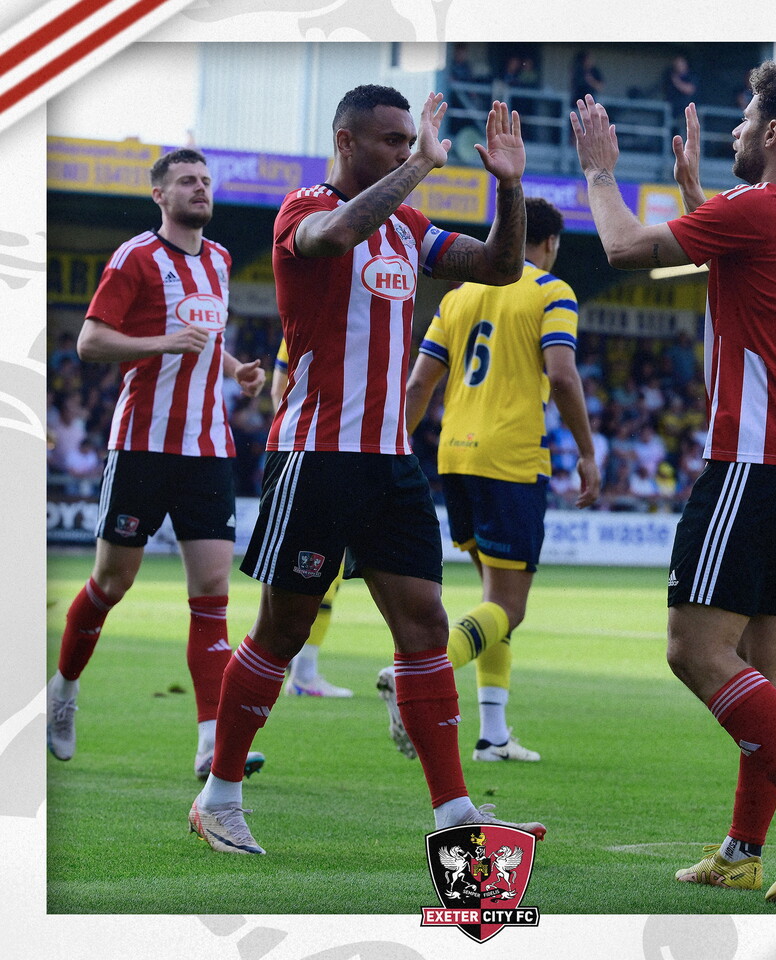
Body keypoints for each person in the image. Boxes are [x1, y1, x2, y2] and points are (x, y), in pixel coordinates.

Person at [188, 85, 545, 855]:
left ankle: (455, 817)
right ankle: (218, 798)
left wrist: (509, 188)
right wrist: (420, 164)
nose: (402, 150)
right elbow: (336, 233)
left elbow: (501, 265)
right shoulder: (300, 210)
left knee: (423, 628)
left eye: (404, 141)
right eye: (388, 141)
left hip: (390, 463)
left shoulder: (409, 230)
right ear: (347, 142)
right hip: (315, 457)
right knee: (280, 631)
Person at [570, 60, 776, 903]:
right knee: (773, 673)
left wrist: (600, 170)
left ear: (774, 133)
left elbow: (627, 248)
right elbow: (758, 263)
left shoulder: (755, 209)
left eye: (745, 118)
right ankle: (743, 848)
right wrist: (700, 191)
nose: (736, 129)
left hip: (751, 463)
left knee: (694, 651)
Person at [46, 148, 268, 781]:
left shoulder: (221, 260)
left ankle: (208, 741)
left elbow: (211, 337)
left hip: (208, 451)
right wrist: (161, 342)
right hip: (142, 445)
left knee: (212, 595)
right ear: (159, 196)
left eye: (205, 181)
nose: (200, 190)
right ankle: (63, 690)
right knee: (112, 583)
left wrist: (235, 371)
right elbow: (91, 341)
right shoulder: (135, 259)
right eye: (187, 182)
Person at [383, 197, 600, 764]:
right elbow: (561, 373)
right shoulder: (552, 291)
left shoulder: (458, 296)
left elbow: (416, 387)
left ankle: (494, 735)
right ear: (550, 243)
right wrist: (586, 451)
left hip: (455, 457)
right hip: (511, 458)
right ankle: (417, 674)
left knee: (492, 601)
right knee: (512, 605)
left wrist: (393, 446)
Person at [268, 339, 353, 698]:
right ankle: (302, 673)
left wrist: (293, 436)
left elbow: (277, 390)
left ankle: (286, 666)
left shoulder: (296, 328)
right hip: (338, 455)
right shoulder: (357, 322)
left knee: (293, 572)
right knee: (323, 573)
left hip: (296, 451)